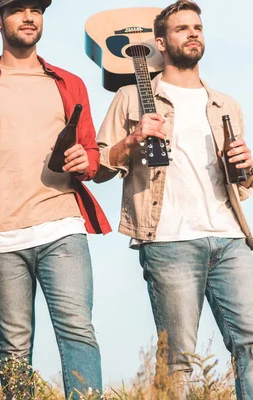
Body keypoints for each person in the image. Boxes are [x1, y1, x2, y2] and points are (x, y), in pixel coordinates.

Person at [0, 0, 111, 397]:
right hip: (1, 235)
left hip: (62, 226)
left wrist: (83, 159)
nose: (29, 17)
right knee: (15, 344)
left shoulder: (68, 83)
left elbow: (91, 151)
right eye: (18, 9)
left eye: (36, 9)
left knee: (77, 329)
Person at [95, 1, 253, 398]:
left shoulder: (225, 104)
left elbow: (242, 186)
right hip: (168, 242)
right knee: (179, 359)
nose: (193, 33)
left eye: (197, 27)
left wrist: (248, 166)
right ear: (161, 43)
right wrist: (133, 140)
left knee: (250, 344)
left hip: (231, 239)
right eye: (182, 28)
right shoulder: (133, 97)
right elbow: (98, 166)